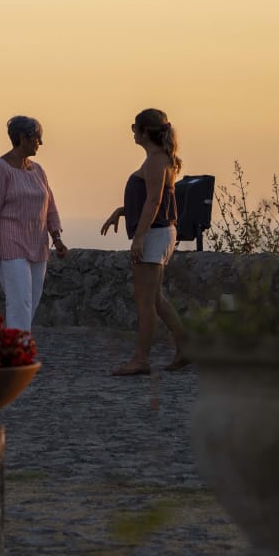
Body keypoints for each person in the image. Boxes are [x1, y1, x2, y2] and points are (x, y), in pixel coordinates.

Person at [102, 108, 191, 376]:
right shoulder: (160, 159)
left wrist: (139, 238)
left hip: (154, 234)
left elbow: (154, 201)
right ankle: (185, 347)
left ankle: (141, 360)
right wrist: (123, 211)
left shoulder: (155, 161)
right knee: (156, 299)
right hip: (160, 232)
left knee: (145, 301)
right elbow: (154, 200)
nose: (132, 132)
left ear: (144, 132)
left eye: (134, 127)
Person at [0, 115, 68, 334]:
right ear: (23, 138)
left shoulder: (38, 171)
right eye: (37, 137)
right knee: (20, 302)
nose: (40, 143)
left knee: (32, 302)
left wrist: (56, 237)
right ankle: (19, 353)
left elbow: (50, 206)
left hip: (38, 244)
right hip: (10, 243)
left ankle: (15, 346)